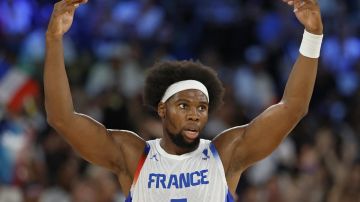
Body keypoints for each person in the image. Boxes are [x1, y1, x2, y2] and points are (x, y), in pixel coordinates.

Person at [44, 0, 324, 201]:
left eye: (202, 107)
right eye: (184, 106)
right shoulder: (133, 155)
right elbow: (62, 118)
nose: (195, 115)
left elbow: (293, 108)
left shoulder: (225, 154)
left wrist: (313, 35)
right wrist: (54, 39)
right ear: (162, 109)